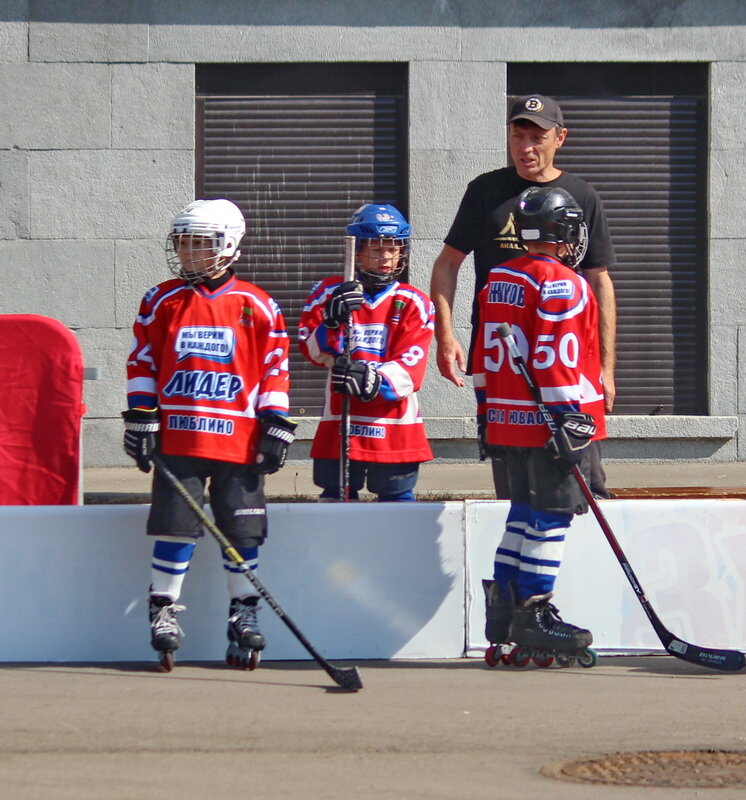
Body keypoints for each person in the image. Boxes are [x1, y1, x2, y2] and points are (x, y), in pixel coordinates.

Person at [122, 198, 296, 672]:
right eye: (184, 244)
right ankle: (163, 609)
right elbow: (143, 361)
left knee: (242, 530)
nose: (190, 254)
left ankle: (244, 611)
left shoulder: (258, 304)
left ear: (230, 246)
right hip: (179, 441)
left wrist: (275, 424)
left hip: (238, 440)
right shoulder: (161, 300)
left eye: (202, 245)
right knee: (175, 526)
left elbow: (275, 370)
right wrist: (140, 415)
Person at [430, 93, 615, 496]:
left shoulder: (581, 196)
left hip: (567, 365)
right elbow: (447, 264)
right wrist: (444, 336)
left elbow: (600, 281)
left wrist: (606, 366)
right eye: (518, 135)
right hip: (504, 365)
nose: (525, 147)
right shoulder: (485, 190)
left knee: (581, 475)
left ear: (560, 138)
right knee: (514, 482)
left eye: (537, 137)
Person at [472, 186, 605, 667]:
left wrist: (487, 413)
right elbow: (557, 358)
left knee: (522, 514)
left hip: (508, 419)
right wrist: (570, 419)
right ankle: (534, 610)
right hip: (551, 423)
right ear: (560, 230)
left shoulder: (497, 277)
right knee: (551, 517)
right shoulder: (563, 283)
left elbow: (484, 356)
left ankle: (503, 608)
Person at [297, 204, 434, 501]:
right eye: (375, 248)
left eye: (392, 248)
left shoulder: (414, 302)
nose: (385, 257)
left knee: (396, 503)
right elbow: (312, 351)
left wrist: (373, 379)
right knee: (335, 498)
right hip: (341, 421)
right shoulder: (328, 291)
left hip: (395, 423)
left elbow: (412, 363)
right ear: (357, 251)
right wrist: (330, 323)